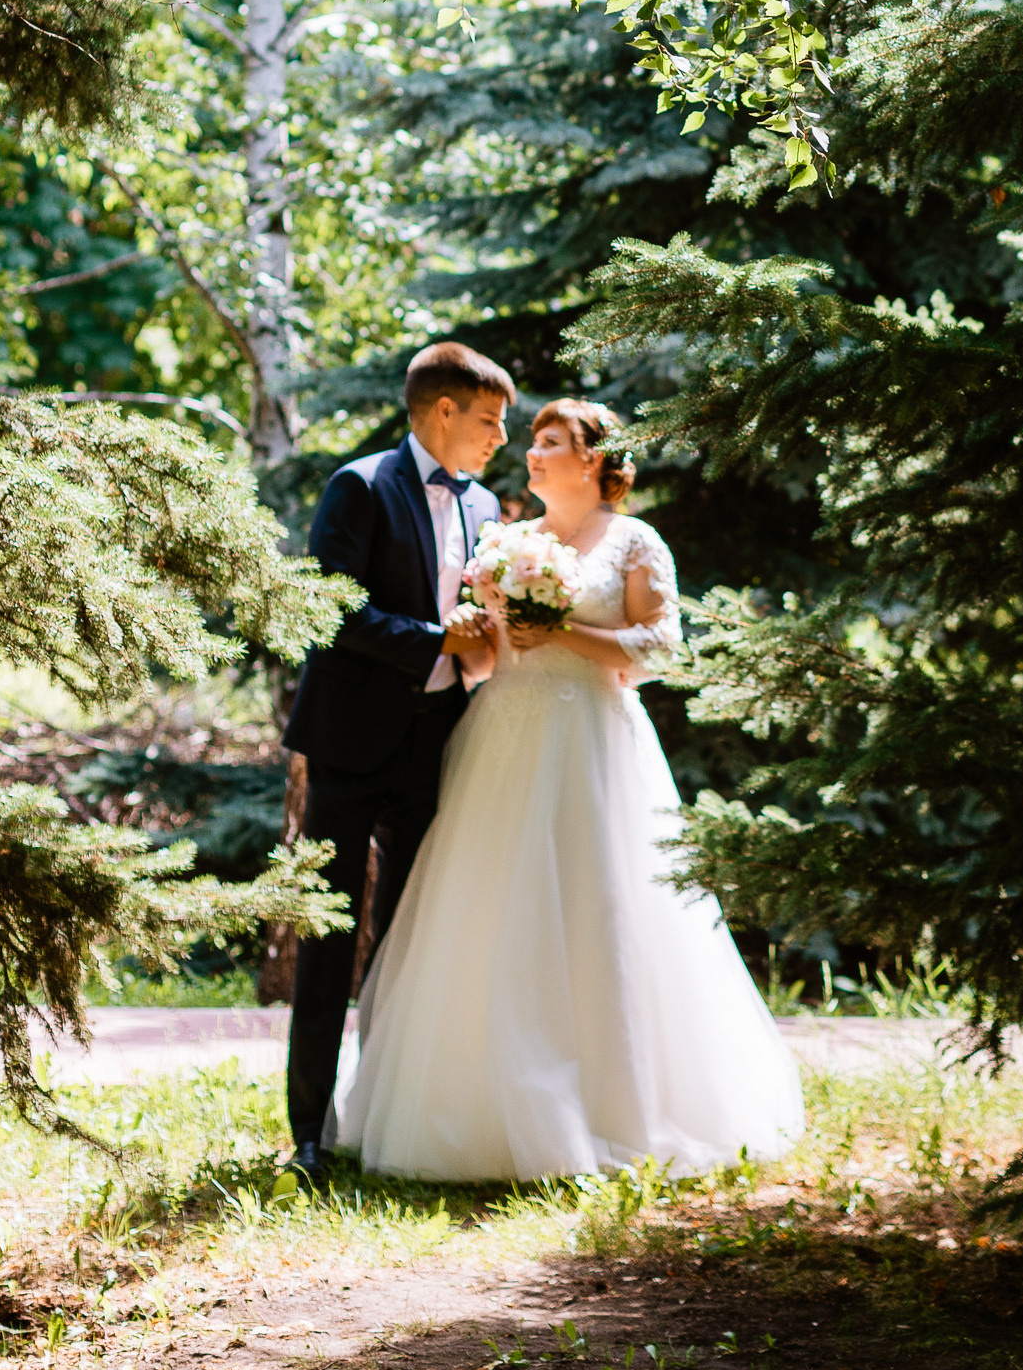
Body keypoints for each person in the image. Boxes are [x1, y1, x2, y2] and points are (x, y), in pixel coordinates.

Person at [329, 396, 803, 1181]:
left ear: (592, 458)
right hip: (503, 737)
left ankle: (615, 1108)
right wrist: (477, 635)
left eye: (549, 441)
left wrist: (565, 631)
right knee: (492, 913)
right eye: (533, 441)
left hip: (593, 743)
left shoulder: (633, 541)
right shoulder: (512, 539)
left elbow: (660, 647)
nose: (530, 453)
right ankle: (477, 1111)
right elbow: (489, 662)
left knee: (599, 907)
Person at [280, 340, 513, 1183]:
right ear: (443, 411)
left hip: (439, 740)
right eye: (488, 420)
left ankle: (384, 1116)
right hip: (350, 740)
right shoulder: (361, 484)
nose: (499, 438)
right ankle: (310, 1131)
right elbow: (332, 608)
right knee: (329, 935)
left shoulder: (485, 504)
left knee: (413, 938)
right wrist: (433, 639)